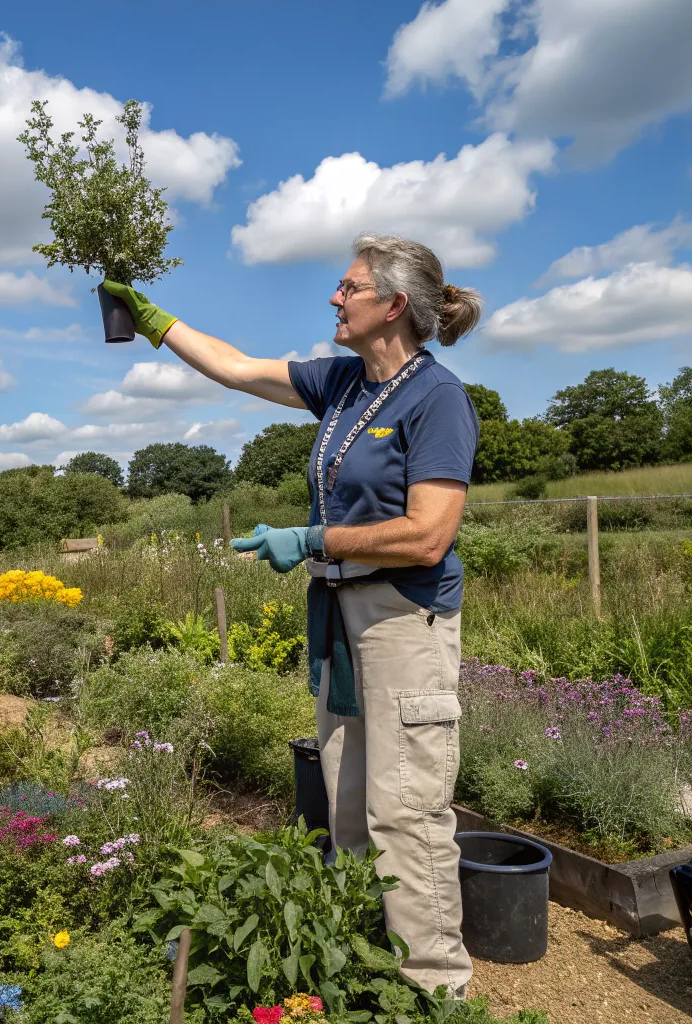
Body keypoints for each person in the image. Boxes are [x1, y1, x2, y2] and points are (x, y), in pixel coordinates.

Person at [102, 233, 481, 997]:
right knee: (345, 799)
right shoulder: (343, 384)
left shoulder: (437, 399)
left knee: (405, 811)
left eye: (349, 288)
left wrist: (313, 538)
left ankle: (435, 990)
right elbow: (236, 366)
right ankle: (360, 964)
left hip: (402, 621)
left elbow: (430, 532)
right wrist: (150, 318)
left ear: (394, 307)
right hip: (340, 618)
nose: (334, 299)